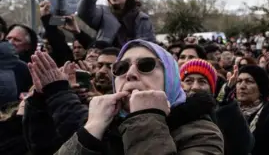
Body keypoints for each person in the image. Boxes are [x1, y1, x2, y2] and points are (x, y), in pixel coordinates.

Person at [52, 39, 223, 154]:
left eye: (146, 65)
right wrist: (90, 131)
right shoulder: (102, 124)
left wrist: (146, 118)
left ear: (171, 78)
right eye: (121, 68)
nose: (131, 74)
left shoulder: (202, 132)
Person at [180, 59, 254, 155]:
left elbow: (243, 146)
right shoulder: (168, 109)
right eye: (188, 81)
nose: (195, 87)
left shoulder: (219, 113)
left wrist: (228, 103)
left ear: (211, 89)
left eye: (202, 82)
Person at [77, 0, 155, 47]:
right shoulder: (103, 13)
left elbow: (146, 46)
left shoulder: (141, 18)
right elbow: (84, 13)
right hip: (105, 58)